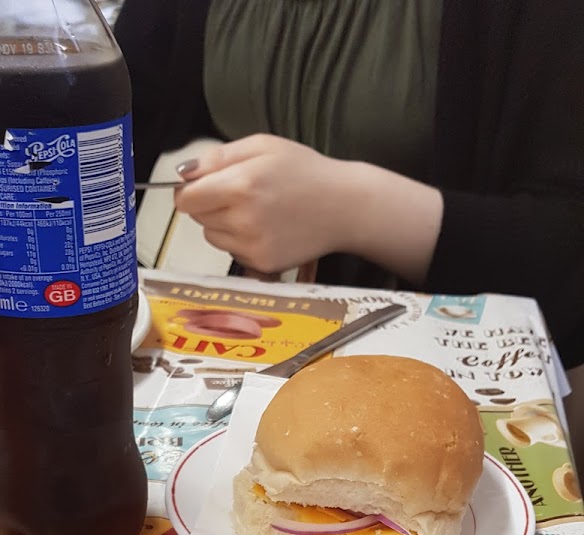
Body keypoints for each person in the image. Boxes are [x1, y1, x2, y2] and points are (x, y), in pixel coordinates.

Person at [115, 0, 584, 373]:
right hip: (219, 342)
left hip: (438, 363)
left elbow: (566, 255)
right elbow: (118, 127)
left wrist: (357, 209)